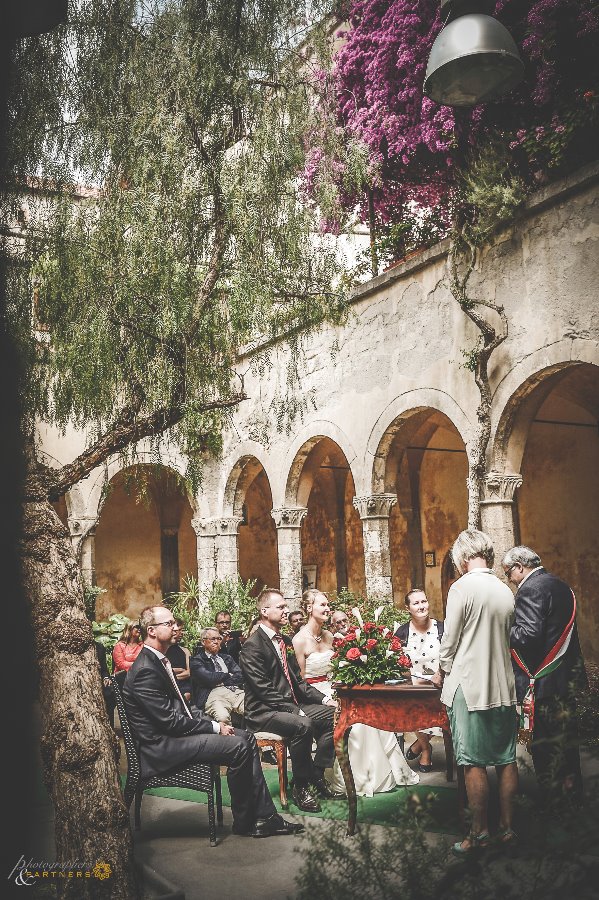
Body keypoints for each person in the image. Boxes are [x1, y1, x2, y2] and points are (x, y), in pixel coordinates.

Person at [123, 605, 303, 838]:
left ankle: (263, 818)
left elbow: (184, 709)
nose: (176, 627)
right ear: (152, 630)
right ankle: (248, 822)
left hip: (173, 736)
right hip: (160, 747)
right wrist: (215, 726)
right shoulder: (146, 668)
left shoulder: (158, 660)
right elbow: (170, 722)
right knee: (238, 746)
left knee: (245, 737)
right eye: (169, 624)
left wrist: (211, 723)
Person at [433, 529, 518, 856]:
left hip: (469, 686)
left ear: (461, 556)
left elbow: (449, 641)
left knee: (472, 762)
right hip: (503, 685)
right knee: (506, 759)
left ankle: (479, 832)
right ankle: (507, 829)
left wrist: (442, 668)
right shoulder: (504, 589)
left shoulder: (461, 587)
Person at [294, 589, 419, 797]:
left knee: (369, 715)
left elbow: (339, 668)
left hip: (337, 688)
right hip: (315, 695)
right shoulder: (299, 640)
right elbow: (300, 683)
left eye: (328, 604)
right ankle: (343, 777)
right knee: (354, 722)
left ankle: (377, 774)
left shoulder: (329, 636)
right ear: (309, 608)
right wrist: (325, 699)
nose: (327, 608)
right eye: (322, 605)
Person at [239, 587, 342, 813]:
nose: (287, 610)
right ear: (265, 611)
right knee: (302, 724)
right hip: (263, 713)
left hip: (288, 705)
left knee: (338, 715)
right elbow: (263, 690)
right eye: (281, 607)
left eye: (286, 606)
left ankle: (315, 774)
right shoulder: (252, 646)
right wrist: (297, 711)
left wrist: (325, 700)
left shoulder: (284, 640)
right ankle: (301, 788)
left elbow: (298, 682)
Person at [503, 545, 587, 799]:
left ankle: (552, 799)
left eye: (508, 573)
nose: (510, 580)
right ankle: (572, 795)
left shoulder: (530, 589)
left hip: (543, 682)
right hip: (564, 677)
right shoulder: (561, 585)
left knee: (544, 745)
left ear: (519, 567)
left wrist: (503, 629)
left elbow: (528, 636)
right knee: (566, 743)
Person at [395, 588, 444, 772]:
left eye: (424, 601)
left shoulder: (441, 628)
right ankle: (425, 749)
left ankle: (418, 745)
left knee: (441, 714)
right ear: (408, 608)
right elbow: (395, 662)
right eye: (416, 603)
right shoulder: (402, 632)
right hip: (414, 688)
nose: (421, 606)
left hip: (440, 685)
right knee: (413, 713)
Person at [190, 627, 245, 725]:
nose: (216, 642)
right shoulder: (197, 661)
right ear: (203, 642)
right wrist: (228, 675)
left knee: (252, 708)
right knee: (222, 717)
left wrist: (221, 681)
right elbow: (209, 678)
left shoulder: (227, 658)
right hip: (213, 695)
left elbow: (240, 676)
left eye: (219, 639)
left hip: (234, 691)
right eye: (212, 639)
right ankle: (233, 740)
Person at [165, 619, 192, 701]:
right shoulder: (162, 650)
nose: (181, 633)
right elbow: (162, 671)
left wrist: (172, 675)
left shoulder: (185, 651)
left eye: (182, 630)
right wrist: (180, 670)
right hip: (166, 686)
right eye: (179, 630)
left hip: (184, 685)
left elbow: (189, 672)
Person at [95, 640, 116, 727]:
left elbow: (104, 669)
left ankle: (109, 726)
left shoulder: (99, 647)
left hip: (99, 681)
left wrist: (106, 677)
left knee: (110, 692)